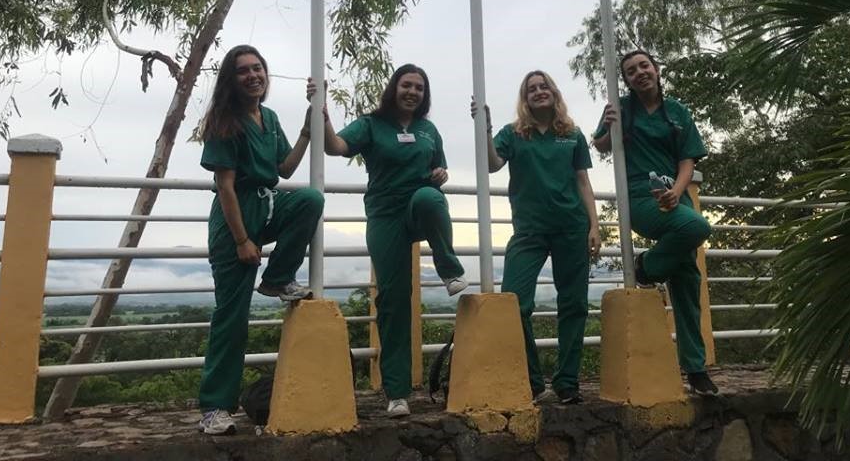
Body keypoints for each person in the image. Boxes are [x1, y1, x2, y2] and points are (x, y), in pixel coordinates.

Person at [319, 63, 467, 418]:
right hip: (385, 216)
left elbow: (439, 170)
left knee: (431, 198)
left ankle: (449, 270)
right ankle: (397, 392)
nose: (412, 92)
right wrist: (322, 118)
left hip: (418, 206)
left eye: (419, 87)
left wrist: (441, 174)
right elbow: (336, 147)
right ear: (394, 88)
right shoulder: (372, 124)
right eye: (406, 85)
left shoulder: (428, 130)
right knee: (393, 298)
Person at [196, 45, 324, 435]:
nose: (253, 75)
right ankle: (215, 407)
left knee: (309, 200)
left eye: (258, 68)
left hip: (267, 205)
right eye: (243, 71)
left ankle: (278, 278)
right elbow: (225, 186)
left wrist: (307, 130)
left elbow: (285, 168)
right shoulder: (225, 121)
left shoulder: (268, 117)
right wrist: (241, 240)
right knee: (232, 318)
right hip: (234, 218)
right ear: (231, 80)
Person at [472, 70, 601, 404]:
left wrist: (594, 225)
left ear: (554, 93)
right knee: (514, 302)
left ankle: (567, 382)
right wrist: (484, 129)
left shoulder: (572, 134)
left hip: (571, 227)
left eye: (544, 86)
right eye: (532, 89)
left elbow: (583, 181)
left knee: (574, 304)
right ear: (525, 98)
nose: (539, 91)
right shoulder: (514, 133)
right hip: (529, 230)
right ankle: (531, 381)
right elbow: (492, 164)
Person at [593, 49, 717, 396]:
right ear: (626, 80)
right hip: (640, 197)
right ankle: (647, 267)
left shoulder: (677, 111)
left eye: (644, 66)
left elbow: (688, 159)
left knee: (687, 278)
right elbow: (601, 145)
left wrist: (676, 192)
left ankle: (695, 369)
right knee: (697, 228)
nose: (640, 73)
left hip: (675, 196)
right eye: (631, 71)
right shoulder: (621, 108)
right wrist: (609, 127)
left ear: (656, 69)